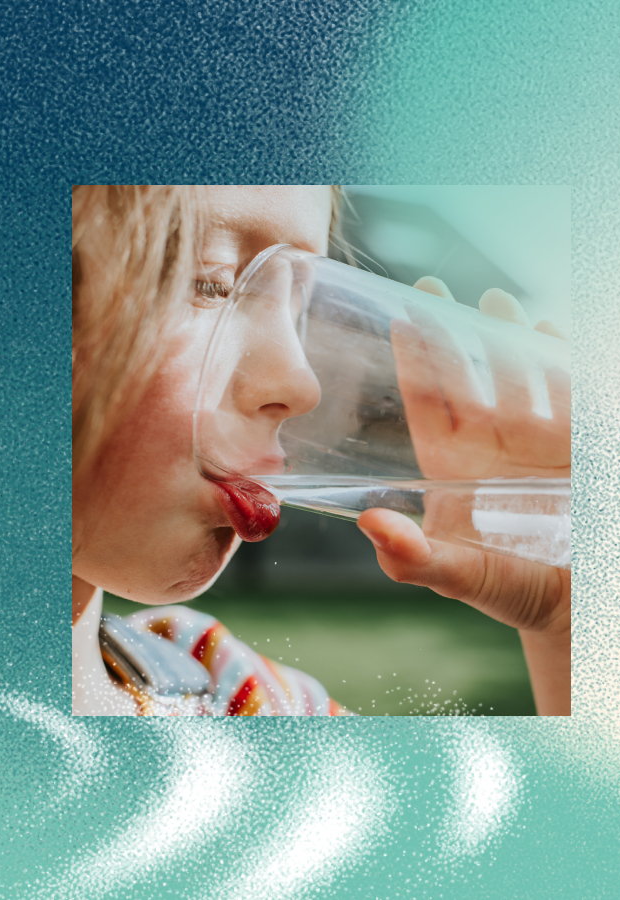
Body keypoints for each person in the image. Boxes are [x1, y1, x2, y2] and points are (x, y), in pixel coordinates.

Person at [72, 185, 570, 717]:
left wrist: (567, 629)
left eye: (298, 306)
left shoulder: (241, 695)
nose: (302, 384)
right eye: (211, 284)